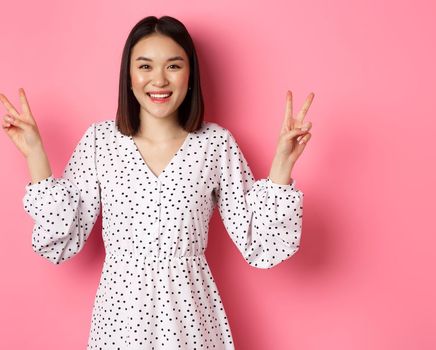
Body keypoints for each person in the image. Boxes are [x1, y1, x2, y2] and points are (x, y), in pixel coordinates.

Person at [1, 15, 313, 349]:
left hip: (190, 318)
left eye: (174, 66)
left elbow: (258, 241)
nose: (159, 80)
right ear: (129, 76)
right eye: (145, 66)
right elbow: (64, 237)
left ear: (190, 74)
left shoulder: (215, 144)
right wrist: (35, 153)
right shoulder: (100, 142)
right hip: (120, 320)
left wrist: (283, 163)